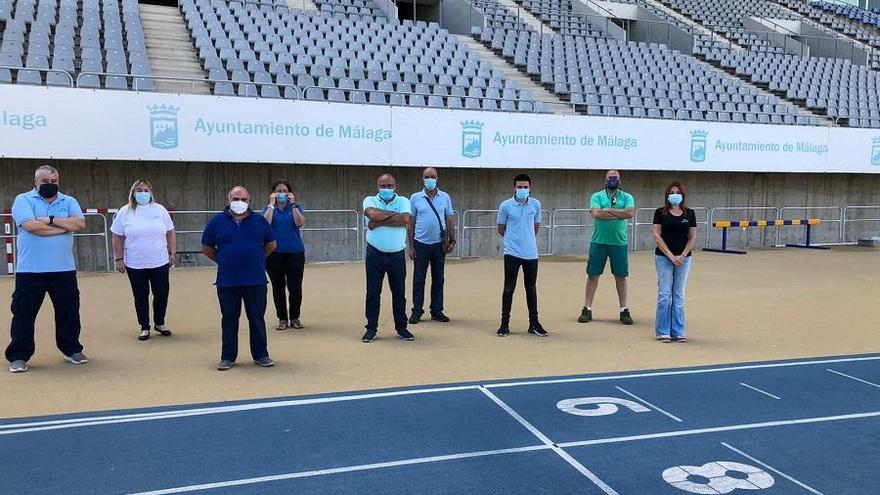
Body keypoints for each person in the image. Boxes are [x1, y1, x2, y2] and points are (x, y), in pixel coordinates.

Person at [6, 165, 88, 373]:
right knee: (23, 314)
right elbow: (32, 227)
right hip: (30, 271)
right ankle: (18, 356)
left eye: (53, 182)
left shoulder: (69, 201)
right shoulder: (23, 200)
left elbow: (79, 224)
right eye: (45, 182)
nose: (49, 185)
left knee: (68, 312)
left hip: (64, 270)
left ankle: (72, 350)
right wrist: (62, 228)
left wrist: (50, 220)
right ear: (36, 182)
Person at [201, 186, 277, 370]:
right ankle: (228, 356)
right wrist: (223, 260)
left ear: (249, 202)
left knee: (257, 317)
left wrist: (257, 258)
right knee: (229, 318)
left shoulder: (259, 221)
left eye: (244, 199)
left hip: (255, 280)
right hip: (227, 281)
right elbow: (207, 247)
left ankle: (261, 354)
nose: (240, 203)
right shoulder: (216, 222)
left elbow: (271, 244)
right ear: (228, 200)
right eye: (236, 199)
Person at [111, 179, 176, 341]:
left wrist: (172, 252)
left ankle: (159, 322)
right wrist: (118, 258)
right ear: (133, 192)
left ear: (151, 192)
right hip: (135, 263)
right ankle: (144, 326)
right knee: (140, 295)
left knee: (161, 293)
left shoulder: (160, 210)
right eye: (139, 190)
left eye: (146, 190)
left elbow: (170, 232)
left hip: (159, 261)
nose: (143, 193)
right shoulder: (125, 211)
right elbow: (117, 236)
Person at [580, 170, 636, 326]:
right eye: (610, 178)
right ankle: (587, 308)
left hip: (619, 243)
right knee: (593, 275)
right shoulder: (597, 196)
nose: (613, 181)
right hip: (598, 242)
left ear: (620, 181)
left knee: (621, 276)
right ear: (605, 180)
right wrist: (619, 213)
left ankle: (624, 309)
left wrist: (608, 211)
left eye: (615, 178)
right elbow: (597, 213)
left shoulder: (627, 197)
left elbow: (630, 213)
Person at [362, 173, 414, 343]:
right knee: (373, 293)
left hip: (397, 255)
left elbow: (406, 218)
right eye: (383, 186)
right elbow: (372, 216)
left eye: (390, 186)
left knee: (399, 293)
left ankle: (402, 328)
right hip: (374, 254)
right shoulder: (369, 200)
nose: (386, 189)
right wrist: (393, 217)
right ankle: (371, 329)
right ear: (378, 186)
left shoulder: (404, 201)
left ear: (395, 186)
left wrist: (378, 220)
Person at [496, 173, 548, 337]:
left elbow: (536, 227)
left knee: (531, 289)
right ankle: (504, 324)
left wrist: (526, 240)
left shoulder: (536, 205)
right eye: (519, 187)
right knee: (508, 289)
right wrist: (514, 240)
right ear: (514, 188)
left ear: (530, 188)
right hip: (511, 253)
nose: (522, 190)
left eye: (525, 187)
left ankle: (534, 323)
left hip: (531, 254)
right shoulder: (505, 206)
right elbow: (501, 229)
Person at [408, 167, 455, 324]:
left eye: (432, 176)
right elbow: (411, 222)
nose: (430, 179)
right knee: (419, 279)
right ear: (422, 178)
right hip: (420, 244)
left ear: (437, 178)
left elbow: (449, 219)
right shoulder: (415, 198)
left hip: (438, 245)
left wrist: (452, 239)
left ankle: (436, 310)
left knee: (438, 278)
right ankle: (416, 311)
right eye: (427, 176)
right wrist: (411, 246)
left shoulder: (445, 197)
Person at [652, 182, 697, 343]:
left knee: (679, 295)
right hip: (664, 258)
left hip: (684, 259)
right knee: (665, 294)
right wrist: (671, 256)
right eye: (672, 192)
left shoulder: (689, 213)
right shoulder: (660, 212)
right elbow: (657, 235)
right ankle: (662, 330)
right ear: (667, 195)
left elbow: (692, 237)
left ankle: (678, 330)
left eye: (677, 192)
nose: (675, 195)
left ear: (683, 195)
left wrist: (683, 255)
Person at [263, 179, 306, 331]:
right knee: (278, 287)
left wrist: (293, 205)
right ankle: (282, 318)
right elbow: (265, 224)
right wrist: (271, 204)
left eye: (285, 191)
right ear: (273, 193)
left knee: (295, 287)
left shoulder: (296, 207)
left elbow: (300, 223)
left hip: (295, 252)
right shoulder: (268, 209)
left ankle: (295, 317)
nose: (282, 194)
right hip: (273, 253)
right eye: (279, 191)